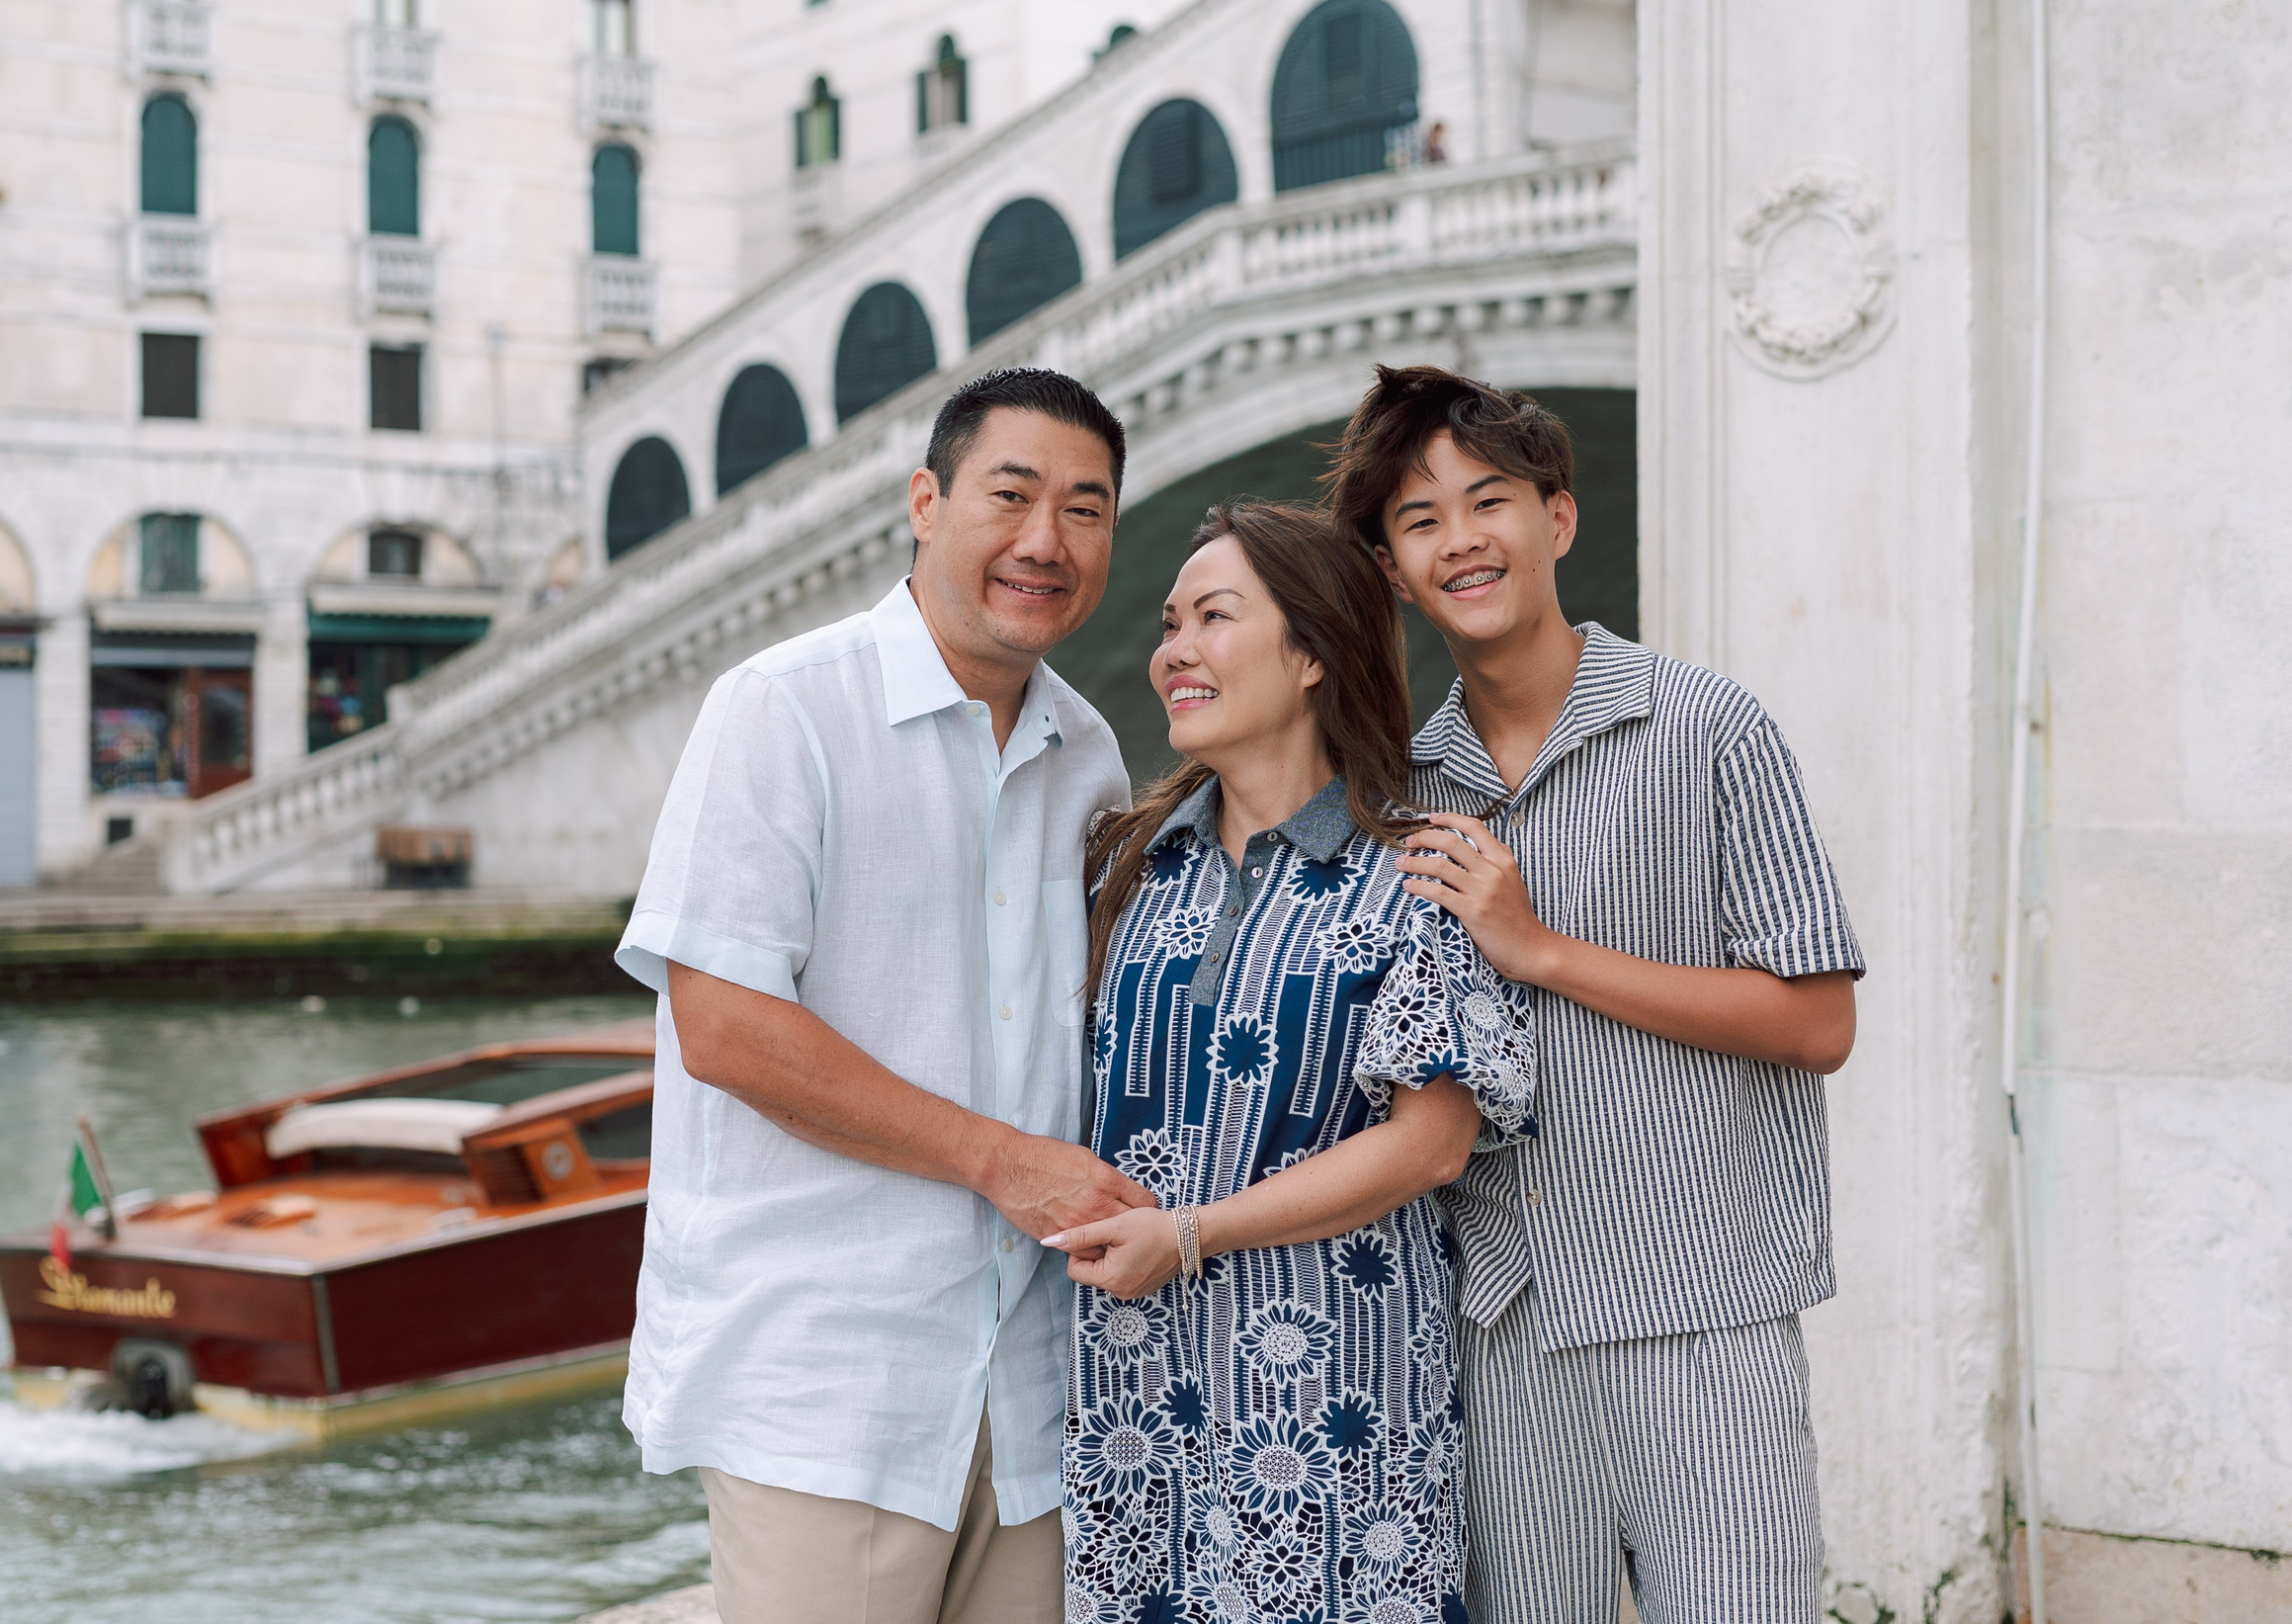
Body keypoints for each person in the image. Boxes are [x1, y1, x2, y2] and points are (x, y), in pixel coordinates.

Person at [1325, 365, 1867, 1624]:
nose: (1460, 537)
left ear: (1555, 518)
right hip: (1501, 1325)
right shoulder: (1401, 789)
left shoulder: (1709, 728)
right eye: (1418, 519)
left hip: (1706, 1311)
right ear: (1393, 570)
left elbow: (1816, 1020)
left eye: (1487, 499)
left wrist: (1541, 947)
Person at [613, 368, 1146, 1624]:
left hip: (1032, 1387)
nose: (1044, 542)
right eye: (1010, 496)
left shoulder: (1092, 753)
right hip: (828, 1376)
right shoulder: (781, 709)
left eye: (1085, 509)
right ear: (924, 499)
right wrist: (1003, 1160)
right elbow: (727, 1028)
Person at [1045, 502, 1536, 1622]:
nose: (1174, 648)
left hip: (1334, 1399)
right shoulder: (1122, 867)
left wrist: (1190, 1234)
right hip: (1133, 1388)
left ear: (1313, 651)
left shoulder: (1413, 872)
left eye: (1214, 617)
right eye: (1170, 623)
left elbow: (1431, 1141)